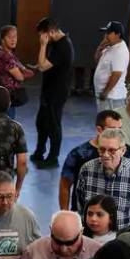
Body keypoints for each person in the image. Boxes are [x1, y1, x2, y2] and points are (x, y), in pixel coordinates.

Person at [58, 110, 130, 211]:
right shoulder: (79, 154)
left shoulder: (126, 151)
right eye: (113, 130)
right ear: (99, 130)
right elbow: (65, 185)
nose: (117, 134)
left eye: (120, 129)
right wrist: (65, 213)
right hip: (86, 213)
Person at [73, 128, 130, 228]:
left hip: (123, 234)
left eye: (112, 150)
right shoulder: (86, 170)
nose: (105, 154)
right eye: (102, 149)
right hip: (93, 233)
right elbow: (81, 206)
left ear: (123, 150)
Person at [32, 17, 74, 168]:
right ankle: (40, 150)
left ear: (50, 32)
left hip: (56, 92)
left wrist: (43, 45)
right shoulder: (56, 43)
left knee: (53, 125)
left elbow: (43, 66)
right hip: (49, 90)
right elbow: (46, 64)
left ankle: (53, 158)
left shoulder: (62, 46)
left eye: (42, 35)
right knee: (42, 122)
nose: (41, 39)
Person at [0, 24, 32, 120]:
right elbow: (20, 77)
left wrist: (23, 69)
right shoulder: (5, 56)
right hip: (7, 96)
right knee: (8, 122)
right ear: (2, 39)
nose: (13, 40)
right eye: (10, 37)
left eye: (15, 37)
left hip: (5, 94)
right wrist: (24, 74)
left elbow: (18, 64)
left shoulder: (5, 51)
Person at [93, 21, 129, 111]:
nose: (106, 35)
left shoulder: (120, 51)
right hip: (106, 96)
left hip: (112, 98)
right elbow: (97, 61)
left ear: (118, 35)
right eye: (106, 32)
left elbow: (116, 74)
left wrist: (105, 92)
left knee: (110, 120)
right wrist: (100, 47)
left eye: (109, 33)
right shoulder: (110, 46)